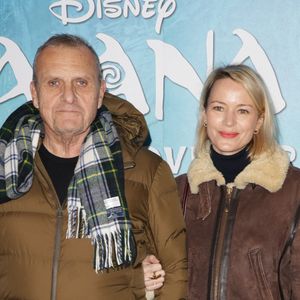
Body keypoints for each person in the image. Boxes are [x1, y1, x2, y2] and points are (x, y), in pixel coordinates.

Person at [0, 34, 187, 300]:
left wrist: (134, 283)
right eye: (54, 83)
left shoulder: (146, 171)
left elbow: (175, 273)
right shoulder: (5, 169)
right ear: (35, 93)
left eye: (81, 82)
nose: (69, 97)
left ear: (100, 93)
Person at [143, 64, 300, 299]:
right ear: (205, 115)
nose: (228, 122)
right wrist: (145, 280)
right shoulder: (175, 192)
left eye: (243, 111)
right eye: (219, 108)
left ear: (259, 121)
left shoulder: (293, 191)